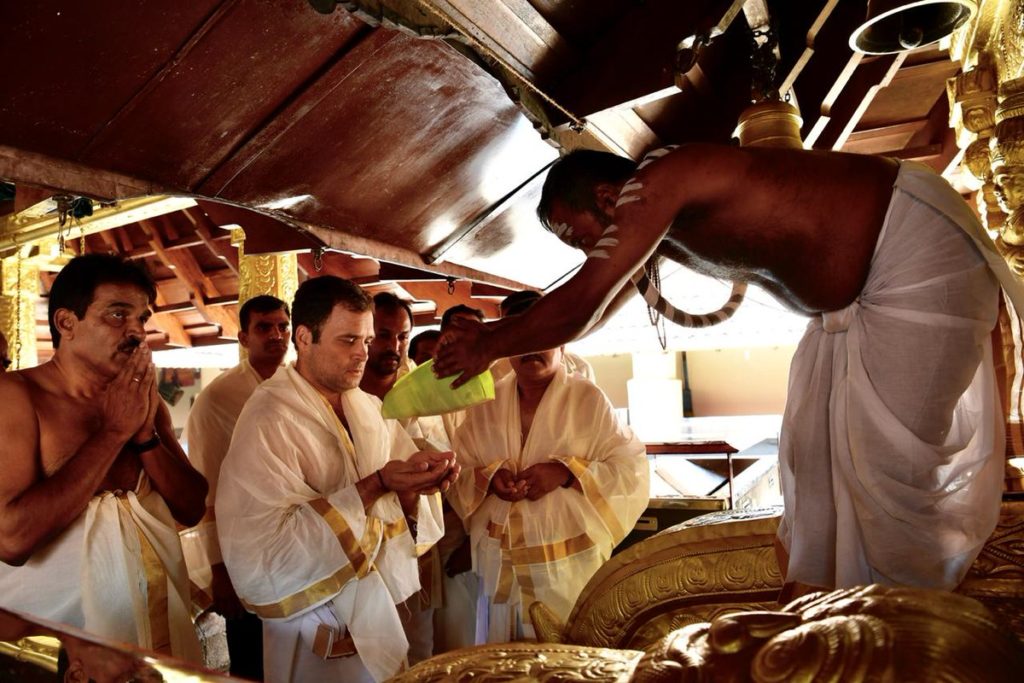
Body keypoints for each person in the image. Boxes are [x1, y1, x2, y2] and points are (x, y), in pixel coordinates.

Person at [435, 144, 1024, 595]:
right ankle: (846, 623)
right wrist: (492, 336)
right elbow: (587, 313)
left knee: (889, 467)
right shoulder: (650, 228)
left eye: (585, 236)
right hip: (844, 309)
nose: (592, 252)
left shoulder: (661, 181)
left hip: (911, 253)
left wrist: (489, 344)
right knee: (815, 459)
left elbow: (583, 299)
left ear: (611, 198)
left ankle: (909, 632)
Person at [215, 275, 458, 683]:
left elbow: (399, 508)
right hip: (308, 628)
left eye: (365, 341)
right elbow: (265, 548)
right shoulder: (269, 417)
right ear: (305, 338)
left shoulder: (365, 406)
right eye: (347, 341)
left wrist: (419, 484)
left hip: (374, 612)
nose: (361, 355)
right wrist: (377, 483)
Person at [0, 253, 206, 662]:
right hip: (56, 652)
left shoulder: (143, 401)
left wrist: (145, 437)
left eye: (142, 319)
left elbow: (192, 506)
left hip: (155, 638)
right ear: (66, 323)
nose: (136, 333)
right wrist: (114, 434)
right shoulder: (16, 396)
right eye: (117, 315)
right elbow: (12, 539)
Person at [449, 291, 649, 642]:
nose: (531, 348)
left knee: (569, 662)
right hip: (500, 567)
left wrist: (567, 473)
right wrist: (490, 478)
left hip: (567, 571)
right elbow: (459, 472)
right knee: (505, 668)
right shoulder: (484, 406)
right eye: (520, 339)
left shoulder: (587, 400)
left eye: (542, 337)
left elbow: (630, 469)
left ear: (562, 343)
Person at [181, 294, 290, 680]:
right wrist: (220, 572)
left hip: (300, 549)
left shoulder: (304, 388)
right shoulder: (217, 399)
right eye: (264, 327)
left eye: (282, 326)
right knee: (253, 663)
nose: (276, 335)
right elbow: (207, 491)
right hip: (245, 556)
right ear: (243, 338)